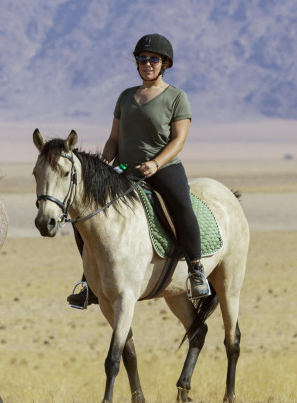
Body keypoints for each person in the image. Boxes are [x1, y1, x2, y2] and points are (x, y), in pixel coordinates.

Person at [66, 33, 212, 307]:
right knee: (84, 214)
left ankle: (195, 271)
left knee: (181, 208)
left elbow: (179, 139)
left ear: (164, 63)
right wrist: (104, 164)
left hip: (164, 168)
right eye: (142, 59)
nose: (147, 64)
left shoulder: (176, 97)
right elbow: (114, 138)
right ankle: (89, 281)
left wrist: (156, 163)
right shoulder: (125, 97)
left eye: (153, 59)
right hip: (124, 167)